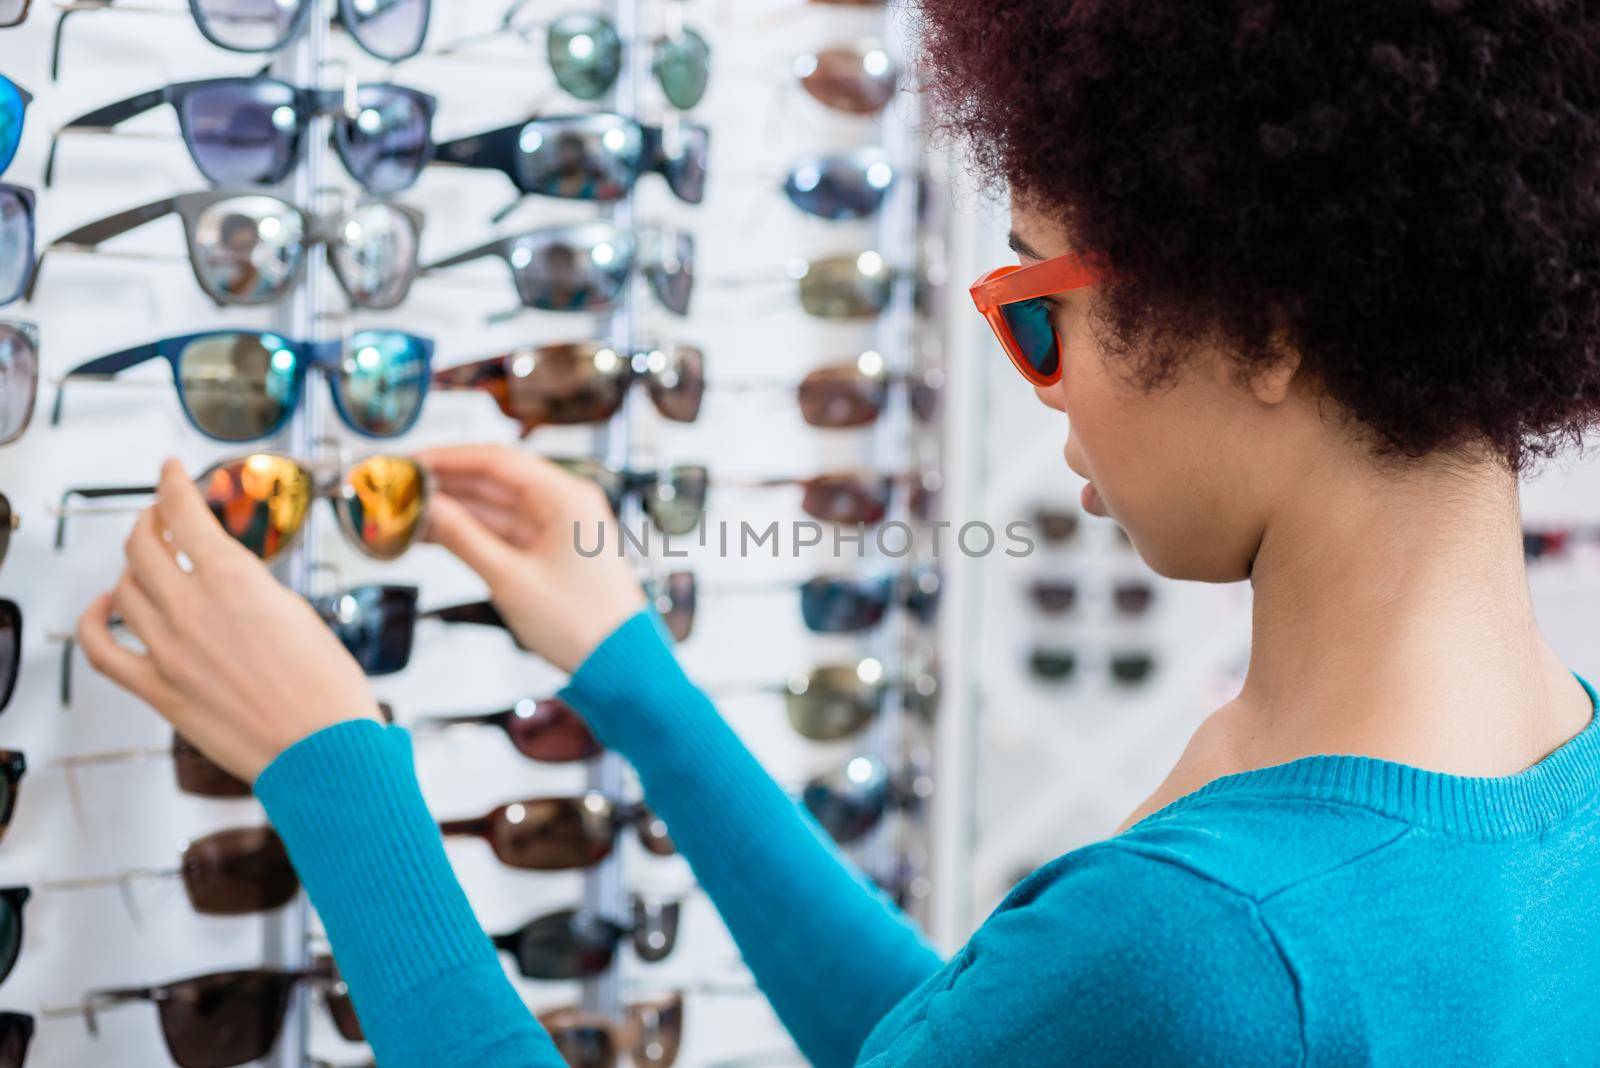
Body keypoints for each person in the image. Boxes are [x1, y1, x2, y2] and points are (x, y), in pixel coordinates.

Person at [78, 3, 1600, 1065]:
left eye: (1037, 309)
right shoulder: (1552, 797)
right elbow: (970, 1036)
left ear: (1262, 325)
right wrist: (639, 684)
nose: (1045, 390)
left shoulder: (1208, 946)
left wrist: (331, 762)